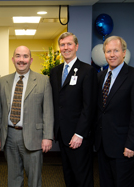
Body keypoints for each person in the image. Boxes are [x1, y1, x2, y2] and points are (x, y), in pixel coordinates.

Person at [94, 36, 134, 187]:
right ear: (104, 54)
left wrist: (132, 144)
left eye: (116, 51)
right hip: (103, 146)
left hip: (125, 148)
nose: (112, 55)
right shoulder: (99, 77)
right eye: (108, 51)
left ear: (124, 53)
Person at [0, 45, 54, 187]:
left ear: (31, 59)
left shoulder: (43, 80)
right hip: (9, 136)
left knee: (34, 180)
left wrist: (47, 136)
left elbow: (48, 111)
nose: (21, 60)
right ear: (13, 59)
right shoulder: (3, 81)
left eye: (25, 56)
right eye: (18, 56)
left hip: (34, 137)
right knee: (13, 178)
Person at [49, 32, 97, 187]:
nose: (66, 48)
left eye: (69, 44)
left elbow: (89, 106)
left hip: (79, 136)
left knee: (82, 177)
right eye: (62, 45)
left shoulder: (87, 71)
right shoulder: (55, 72)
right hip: (62, 134)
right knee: (68, 176)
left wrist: (80, 133)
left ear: (76, 46)